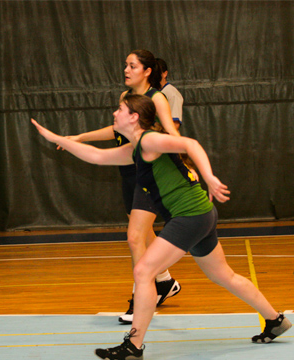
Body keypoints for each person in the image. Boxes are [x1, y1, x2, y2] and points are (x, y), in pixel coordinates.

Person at [31, 94, 291, 359]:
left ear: (133, 117)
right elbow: (97, 156)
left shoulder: (148, 140)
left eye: (119, 109)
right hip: (201, 213)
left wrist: (210, 177)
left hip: (191, 215)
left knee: (144, 271)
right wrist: (57, 138)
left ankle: (133, 346)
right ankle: (275, 320)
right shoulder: (136, 148)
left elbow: (190, 143)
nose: (114, 114)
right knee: (223, 275)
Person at [60, 50, 183, 324]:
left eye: (132, 65)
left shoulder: (158, 98)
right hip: (128, 171)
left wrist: (184, 163)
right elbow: (116, 131)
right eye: (125, 65)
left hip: (150, 173)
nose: (126, 70)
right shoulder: (126, 99)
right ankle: (163, 281)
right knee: (143, 232)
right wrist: (79, 137)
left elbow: (173, 134)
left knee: (135, 237)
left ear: (146, 70)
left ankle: (141, 297)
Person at [157, 58, 184, 126]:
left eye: (156, 73)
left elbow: (175, 124)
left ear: (165, 74)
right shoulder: (150, 92)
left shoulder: (172, 94)